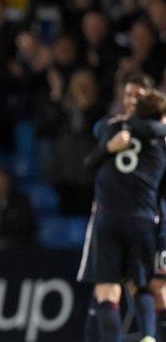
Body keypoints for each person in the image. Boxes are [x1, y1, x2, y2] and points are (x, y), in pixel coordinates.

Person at [78, 88, 166, 342]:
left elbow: (89, 163)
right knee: (143, 284)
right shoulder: (161, 142)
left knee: (107, 289)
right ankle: (149, 337)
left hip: (109, 216)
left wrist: (108, 146)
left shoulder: (114, 127)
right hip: (145, 218)